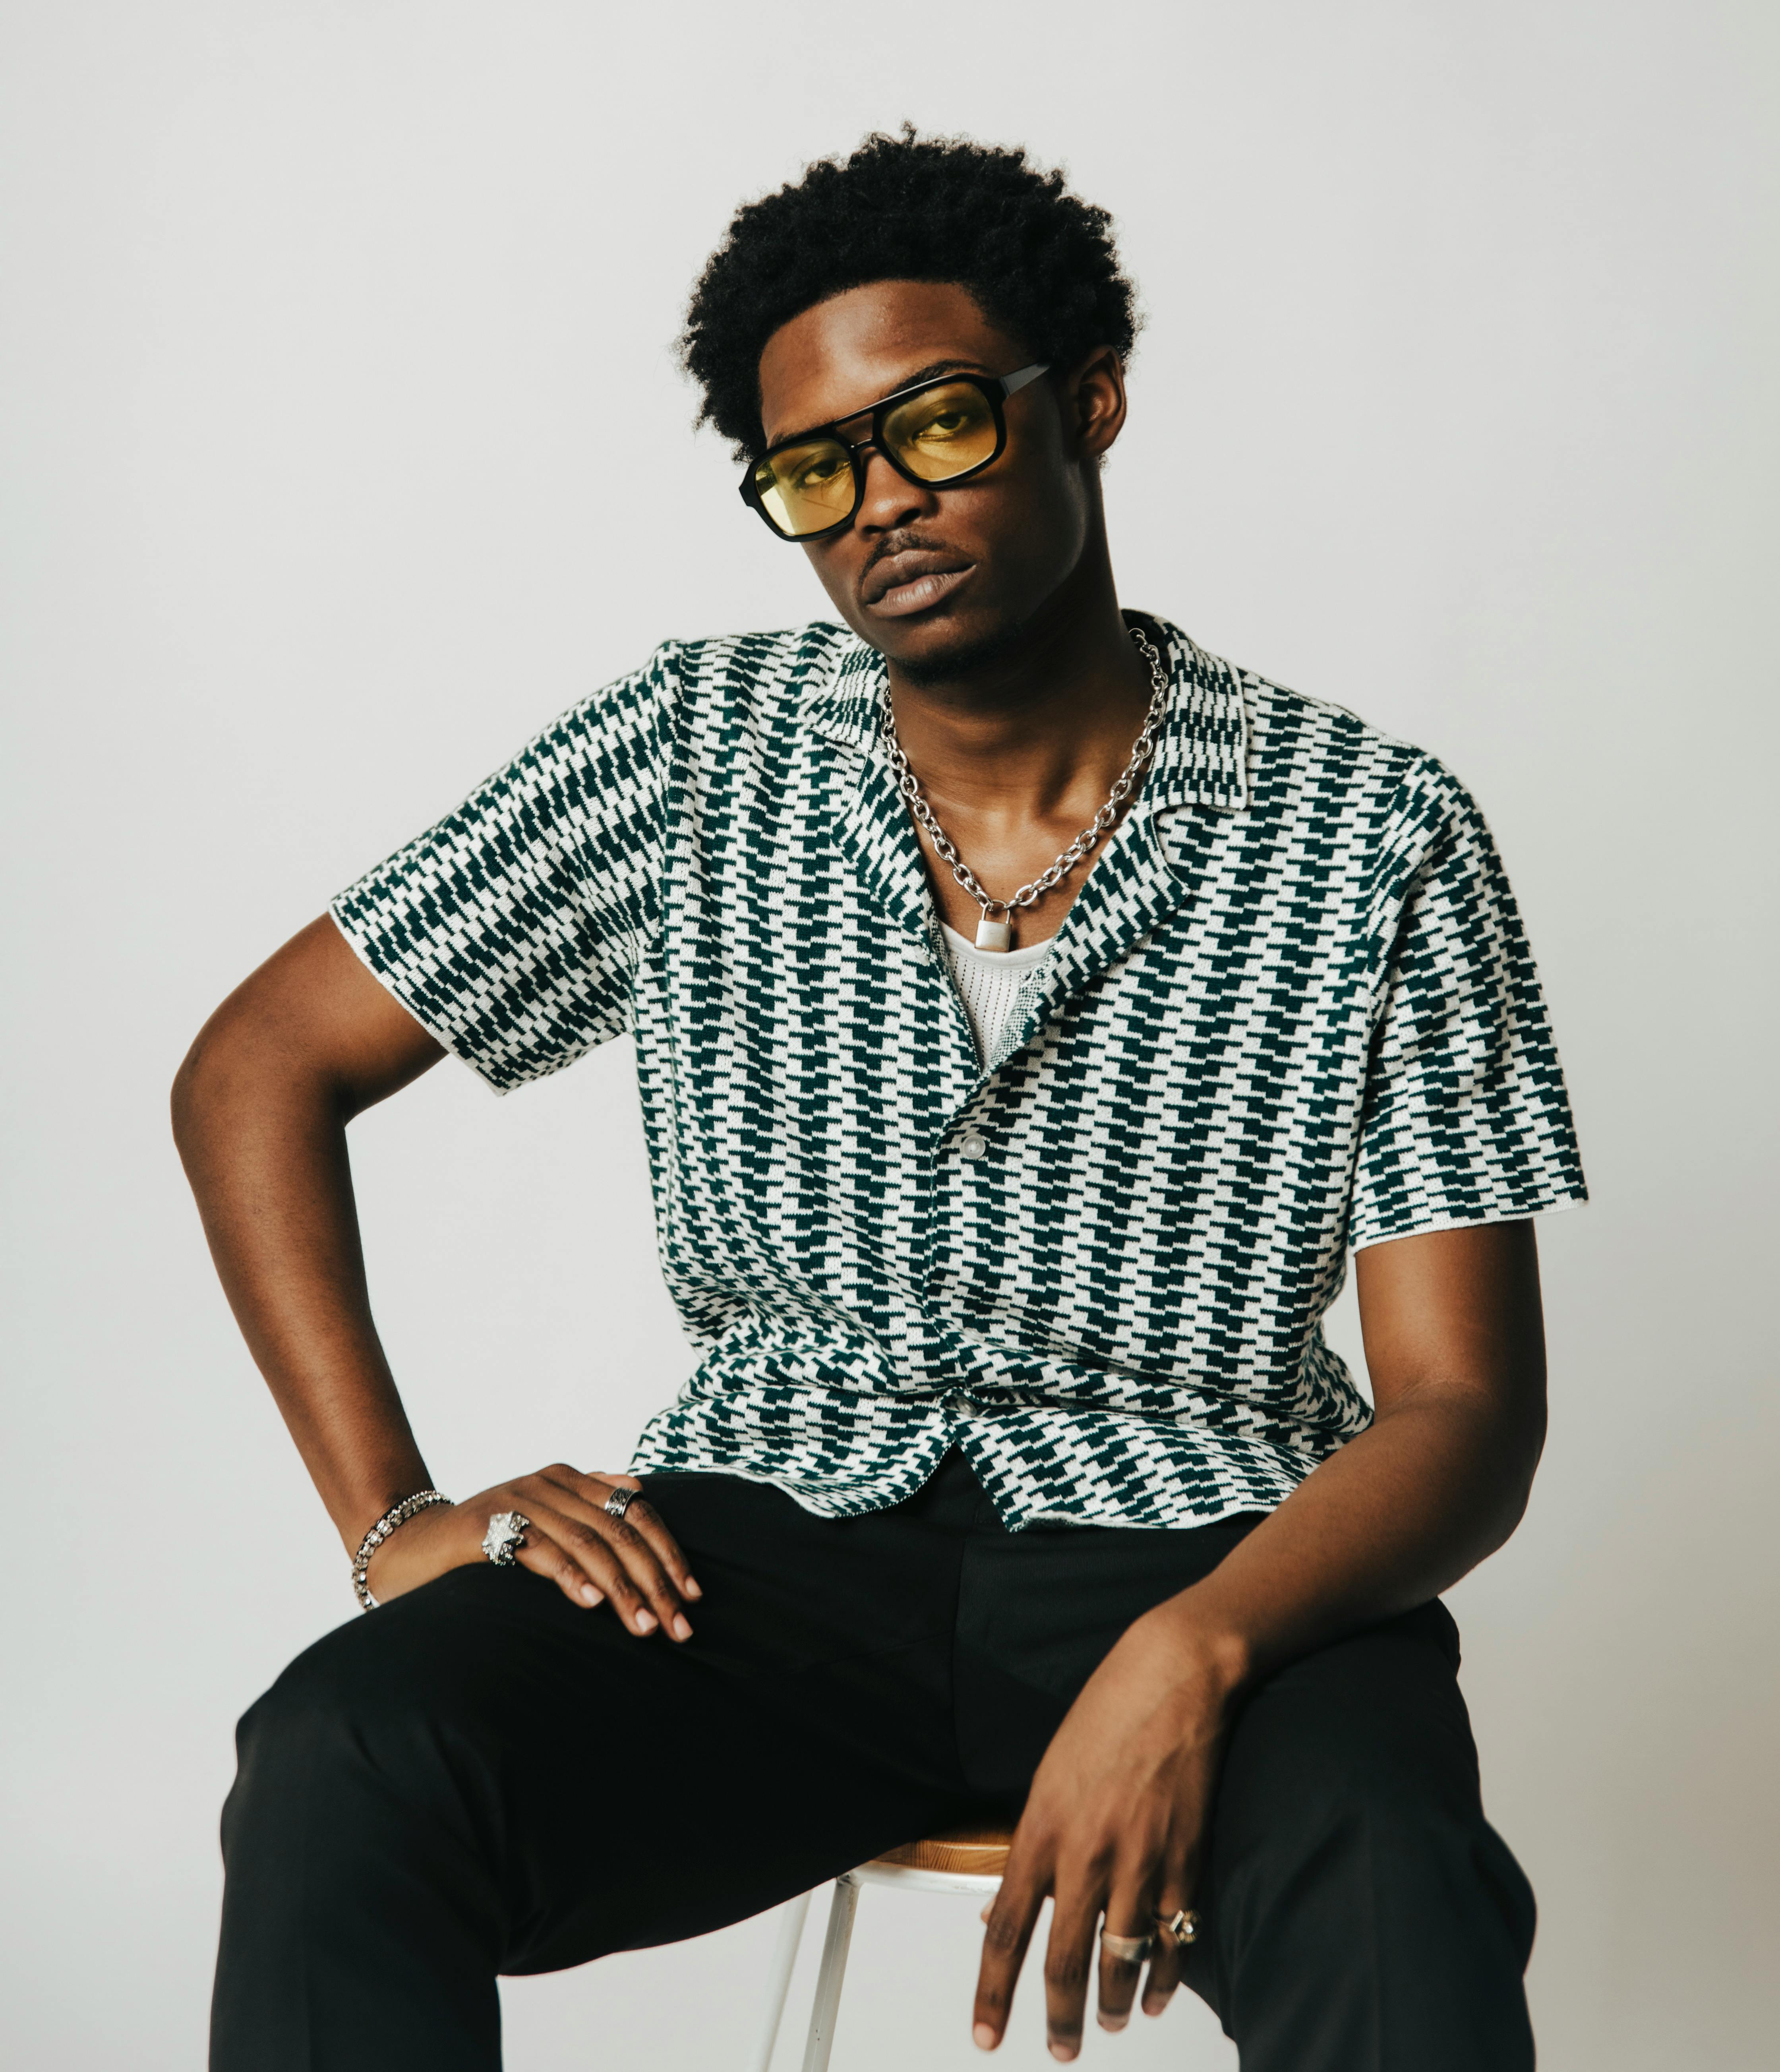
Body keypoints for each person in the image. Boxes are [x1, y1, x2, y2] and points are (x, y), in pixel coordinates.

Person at [173, 130, 1585, 2072]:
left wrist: (1193, 1651)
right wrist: (392, 1516)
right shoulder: (692, 756)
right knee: (349, 1752)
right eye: (814, 469)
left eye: (933, 427)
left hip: (1202, 1549)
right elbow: (260, 1064)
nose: (878, 508)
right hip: (761, 1558)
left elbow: (1463, 1411)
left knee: (1390, 1878)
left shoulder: (1368, 832)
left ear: (1087, 402)